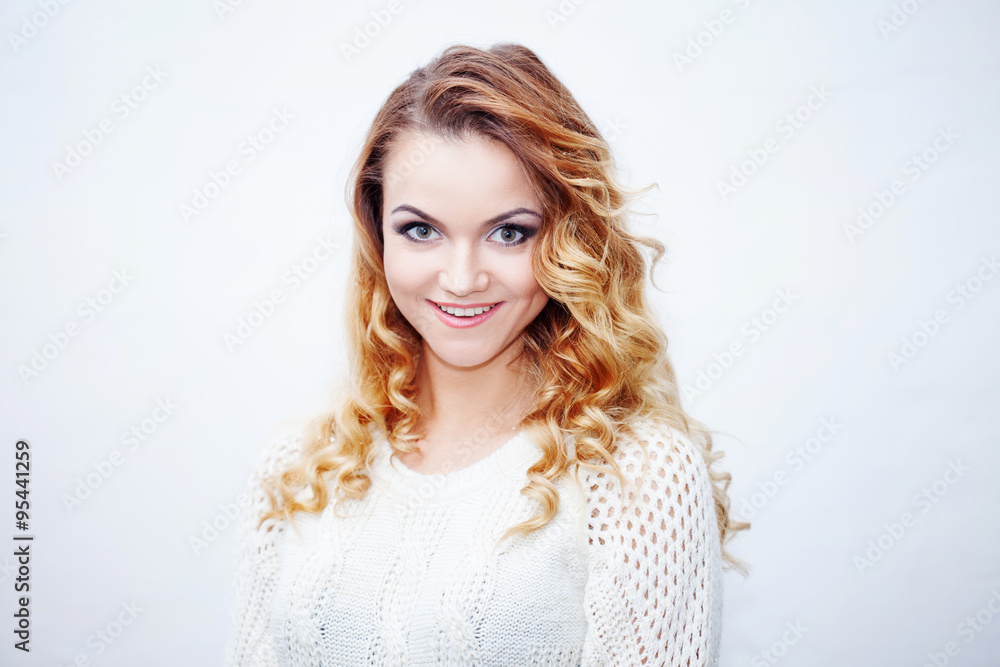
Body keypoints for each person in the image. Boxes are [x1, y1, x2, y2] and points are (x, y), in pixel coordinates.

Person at [225, 42, 749, 666]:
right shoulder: (299, 468)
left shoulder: (637, 476)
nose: (462, 278)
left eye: (509, 232)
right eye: (421, 230)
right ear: (377, 235)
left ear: (567, 240)